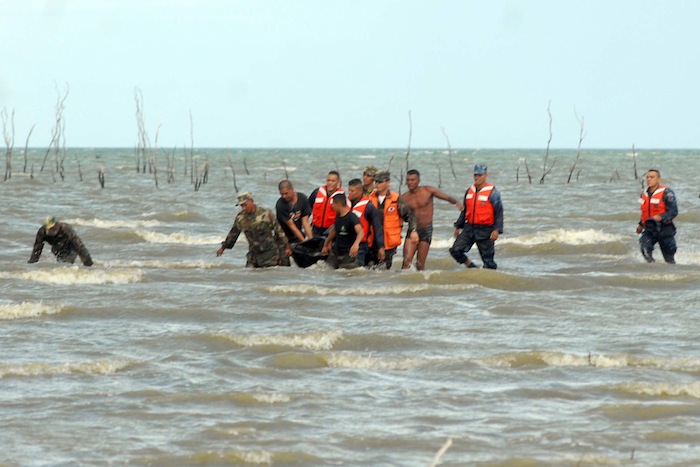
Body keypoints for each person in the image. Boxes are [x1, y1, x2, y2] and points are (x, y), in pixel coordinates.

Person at [400, 169, 464, 270]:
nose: (410, 182)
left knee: (420, 264)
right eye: (408, 180)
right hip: (413, 231)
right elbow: (400, 217)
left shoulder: (428, 191)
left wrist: (457, 202)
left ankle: (421, 280)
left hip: (426, 230)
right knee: (406, 262)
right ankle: (403, 280)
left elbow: (446, 197)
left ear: (418, 181)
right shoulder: (404, 198)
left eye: (412, 180)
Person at [216, 192, 292, 267]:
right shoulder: (240, 218)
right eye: (241, 206)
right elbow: (233, 234)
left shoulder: (266, 214)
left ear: (252, 201)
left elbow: (279, 231)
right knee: (248, 273)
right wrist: (223, 248)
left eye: (245, 205)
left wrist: (287, 247)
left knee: (268, 272)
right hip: (253, 255)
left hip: (269, 253)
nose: (244, 208)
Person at [449, 163, 503, 269]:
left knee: (488, 261)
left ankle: (490, 276)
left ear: (486, 175)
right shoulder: (469, 191)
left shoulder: (493, 192)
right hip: (469, 228)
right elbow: (465, 211)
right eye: (475, 175)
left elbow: (499, 212)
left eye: (480, 175)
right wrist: (458, 226)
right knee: (455, 250)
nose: (477, 177)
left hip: (485, 230)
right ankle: (472, 267)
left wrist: (497, 230)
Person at [367, 171, 418, 269]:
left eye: (380, 182)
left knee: (384, 269)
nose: (377, 184)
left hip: (389, 242)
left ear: (387, 182)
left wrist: (413, 231)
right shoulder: (369, 198)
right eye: (376, 182)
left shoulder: (396, 199)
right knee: (370, 269)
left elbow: (410, 216)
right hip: (372, 241)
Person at [636, 169, 678, 263]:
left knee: (669, 259)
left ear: (658, 179)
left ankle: (668, 271)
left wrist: (661, 217)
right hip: (649, 228)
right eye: (647, 177)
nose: (649, 179)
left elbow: (673, 211)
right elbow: (645, 212)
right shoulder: (644, 194)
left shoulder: (667, 192)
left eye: (652, 177)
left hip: (665, 229)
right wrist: (641, 225)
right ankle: (652, 268)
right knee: (645, 249)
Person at [347, 178, 385, 266]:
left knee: (357, 269)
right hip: (345, 243)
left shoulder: (369, 206)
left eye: (352, 191)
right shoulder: (345, 203)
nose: (349, 193)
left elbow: (377, 227)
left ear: (360, 191)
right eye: (349, 190)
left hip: (360, 245)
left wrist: (381, 247)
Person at [28, 216, 94, 266]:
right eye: (49, 228)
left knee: (67, 263)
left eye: (53, 228)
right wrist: (32, 263)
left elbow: (79, 245)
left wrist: (87, 262)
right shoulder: (42, 232)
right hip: (56, 248)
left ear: (57, 224)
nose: (51, 230)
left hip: (70, 247)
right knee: (60, 263)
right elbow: (37, 248)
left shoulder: (65, 229)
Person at [321, 193, 363, 269]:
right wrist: (326, 245)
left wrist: (356, 245)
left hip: (348, 253)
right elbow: (334, 230)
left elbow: (361, 232)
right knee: (326, 269)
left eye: (333, 204)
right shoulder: (338, 215)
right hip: (336, 251)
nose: (332, 206)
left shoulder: (352, 217)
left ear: (338, 204)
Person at [276, 180, 313, 244]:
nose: (284, 196)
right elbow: (292, 226)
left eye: (286, 193)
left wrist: (311, 241)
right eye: (282, 194)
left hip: (298, 232)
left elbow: (305, 222)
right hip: (284, 236)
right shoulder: (280, 205)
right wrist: (304, 242)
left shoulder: (302, 198)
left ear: (292, 189)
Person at [309, 171, 345, 236]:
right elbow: (308, 207)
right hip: (316, 229)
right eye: (328, 180)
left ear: (338, 182)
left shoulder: (341, 197)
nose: (330, 183)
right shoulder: (317, 192)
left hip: (331, 230)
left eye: (333, 181)